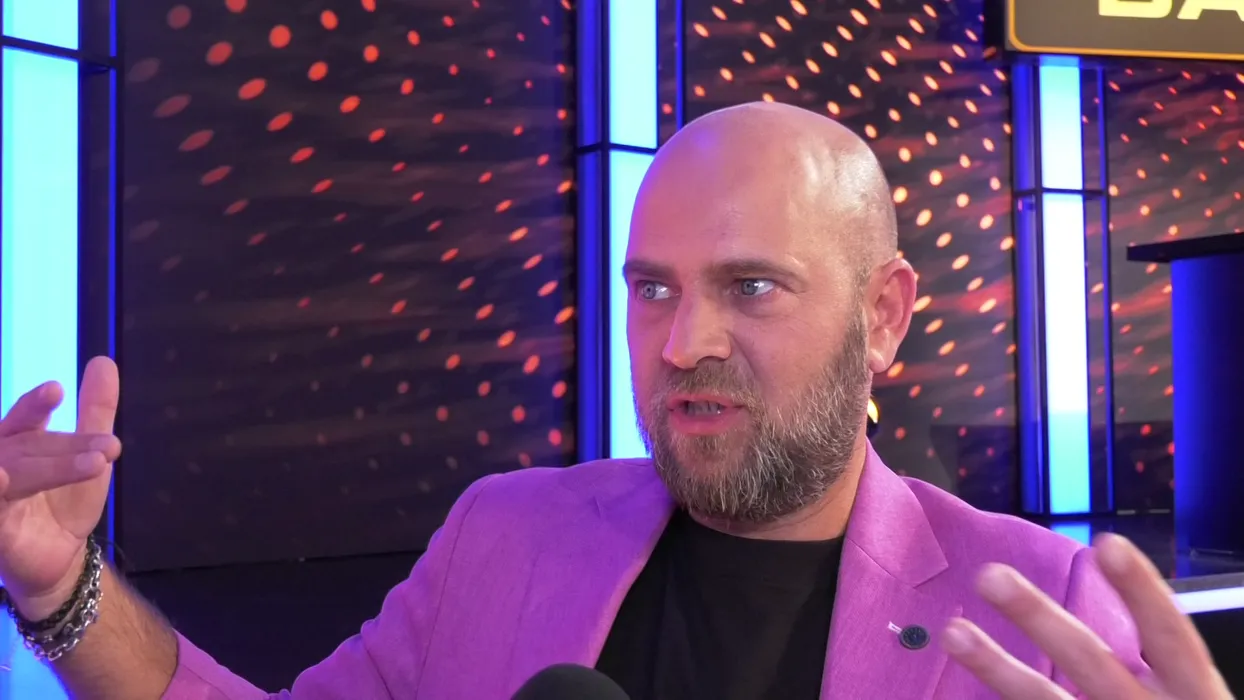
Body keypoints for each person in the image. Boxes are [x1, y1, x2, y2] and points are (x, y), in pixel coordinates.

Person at [0, 102, 1227, 699]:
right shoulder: (502, 535)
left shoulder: (1038, 609)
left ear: (885, 315)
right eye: (652, 289)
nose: (683, 342)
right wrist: (61, 587)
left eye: (749, 286)